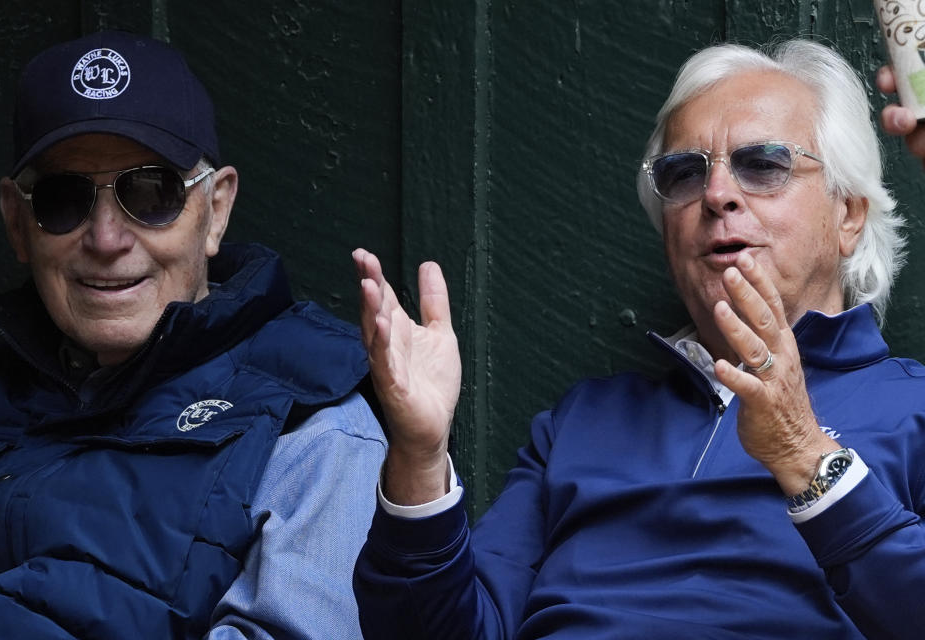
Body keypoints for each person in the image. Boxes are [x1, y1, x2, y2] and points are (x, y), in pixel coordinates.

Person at [351, 38, 925, 639]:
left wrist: (804, 455)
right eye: (685, 173)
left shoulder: (909, 410)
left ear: (848, 216)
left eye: (763, 164)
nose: (716, 194)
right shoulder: (584, 421)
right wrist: (418, 455)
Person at [0, 30, 386, 639]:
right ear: (16, 222)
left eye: (150, 193)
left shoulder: (310, 423)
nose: (106, 239)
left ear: (215, 210)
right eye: (63, 199)